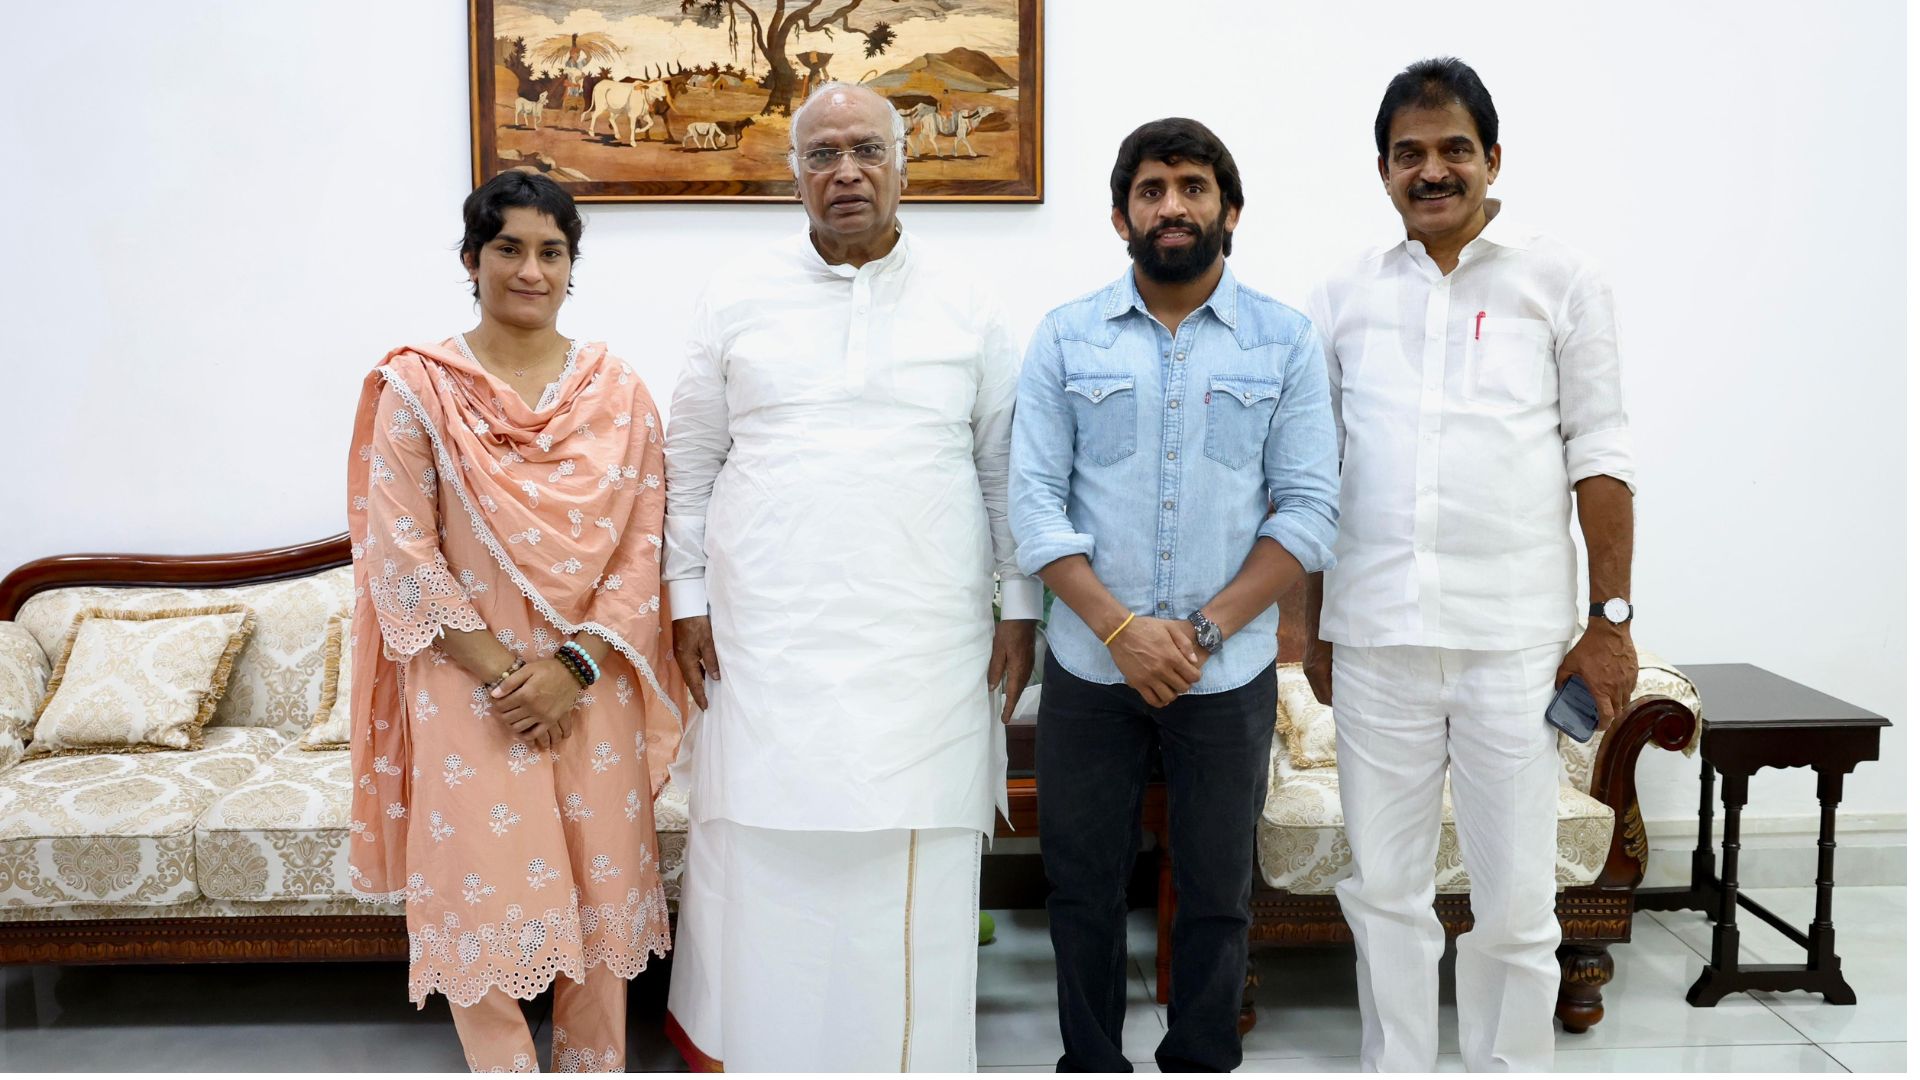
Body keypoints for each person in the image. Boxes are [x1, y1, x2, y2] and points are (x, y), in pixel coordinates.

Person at [659, 82, 1040, 1071]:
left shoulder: (969, 300)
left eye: (866, 150)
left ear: (905, 164)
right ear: (794, 177)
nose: (846, 173)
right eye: (822, 155)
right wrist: (686, 598)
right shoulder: (735, 295)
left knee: (904, 859)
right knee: (762, 853)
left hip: (923, 644)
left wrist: (1021, 605)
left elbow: (1007, 470)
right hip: (764, 639)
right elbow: (689, 463)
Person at [1302, 57, 1639, 1072]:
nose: (1433, 170)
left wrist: (1609, 621)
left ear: (1494, 159)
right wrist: (1311, 626)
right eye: (1411, 154)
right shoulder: (1343, 292)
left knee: (1517, 898)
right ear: (1383, 168)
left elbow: (1603, 454)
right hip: (1376, 639)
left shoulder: (1562, 279)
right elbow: (1318, 469)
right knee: (1386, 892)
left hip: (1513, 645)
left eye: (1455, 149)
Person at [1009, 117, 1340, 1072]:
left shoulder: (1283, 341)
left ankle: (1201, 1057)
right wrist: (1120, 632)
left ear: (1228, 210)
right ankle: (1091, 1061)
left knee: (1217, 888)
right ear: (1121, 216)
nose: (1172, 206)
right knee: (1079, 882)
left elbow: (1309, 511)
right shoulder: (1066, 337)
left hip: (1225, 666)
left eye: (1193, 187)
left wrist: (1195, 633)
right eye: (1151, 189)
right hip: (1088, 663)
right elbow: (1034, 508)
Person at [345, 168, 686, 1073]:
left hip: (591, 683)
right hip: (469, 688)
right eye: (509, 249)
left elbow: (642, 546)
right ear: (471, 259)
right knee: (480, 899)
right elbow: (402, 553)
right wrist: (509, 676)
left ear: (573, 268)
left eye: (551, 252)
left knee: (597, 890)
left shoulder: (618, 394)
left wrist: (569, 671)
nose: (530, 270)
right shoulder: (419, 388)